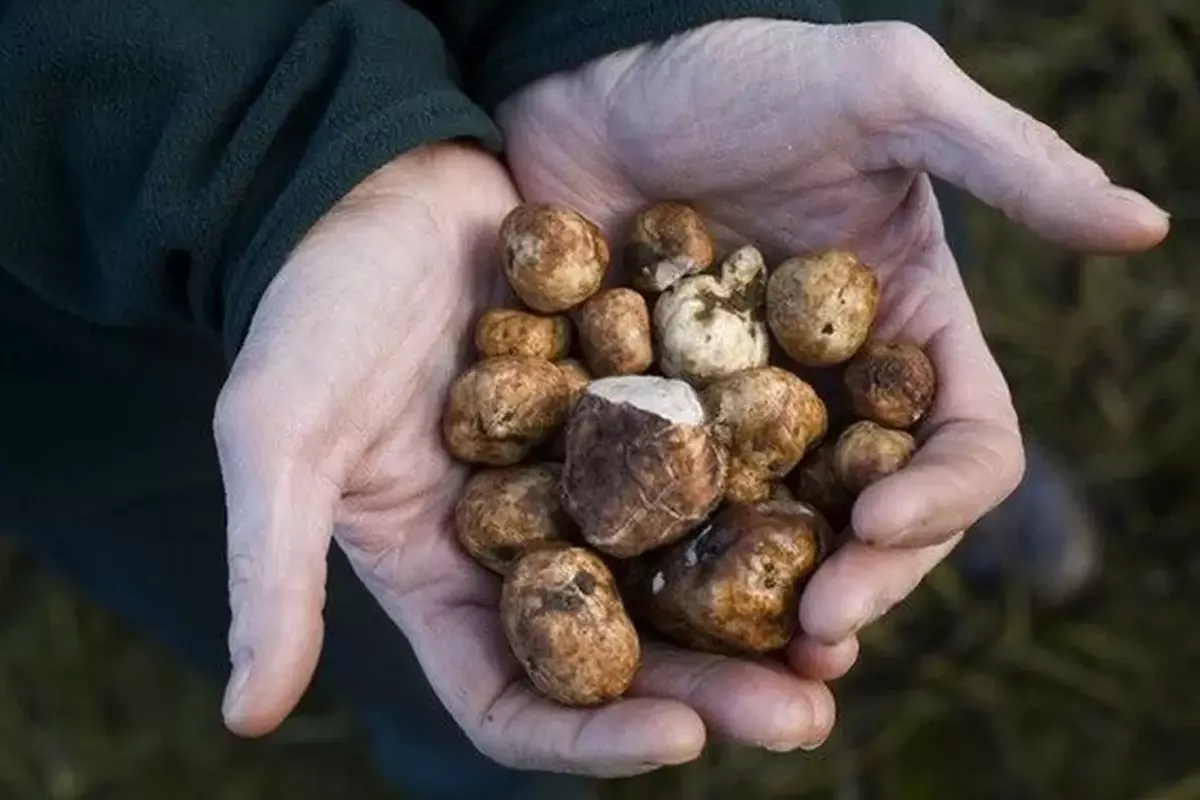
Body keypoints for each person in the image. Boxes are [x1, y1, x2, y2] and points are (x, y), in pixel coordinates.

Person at [0, 0, 1168, 797]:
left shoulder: (737, 315)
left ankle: (928, 519)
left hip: (737, 167)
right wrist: (272, 168)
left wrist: (659, 11)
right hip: (112, 310)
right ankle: (479, 767)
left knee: (904, 321)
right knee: (406, 627)